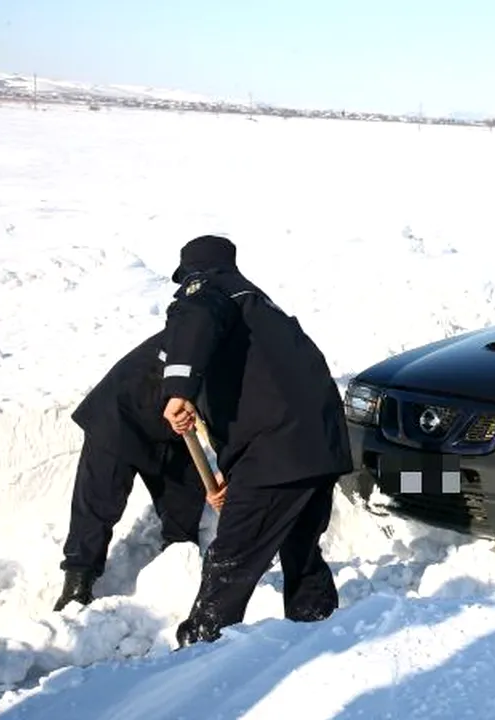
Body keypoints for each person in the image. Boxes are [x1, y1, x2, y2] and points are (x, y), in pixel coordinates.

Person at [158, 234, 353, 647]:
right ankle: (319, 635)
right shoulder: (261, 308)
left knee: (230, 560)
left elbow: (195, 316)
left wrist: (178, 389)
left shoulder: (207, 291)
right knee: (301, 549)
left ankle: (199, 655)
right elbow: (262, 392)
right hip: (320, 447)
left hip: (277, 452)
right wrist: (237, 471)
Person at [53, 329, 212, 612]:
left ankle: (178, 565)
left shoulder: (227, 350)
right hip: (120, 416)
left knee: (187, 498)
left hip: (169, 430)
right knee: (99, 502)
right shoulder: (193, 330)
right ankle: (77, 582)